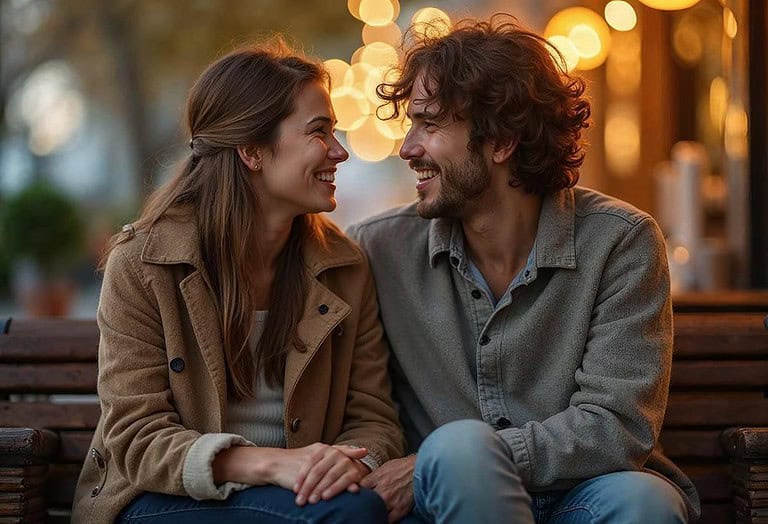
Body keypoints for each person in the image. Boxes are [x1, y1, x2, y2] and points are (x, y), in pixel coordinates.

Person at [348, 14, 700, 524]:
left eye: (430, 123)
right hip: (450, 502)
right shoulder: (378, 250)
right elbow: (366, 409)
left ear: (501, 142)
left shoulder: (620, 241)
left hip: (586, 494)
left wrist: (462, 456)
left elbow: (617, 427)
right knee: (459, 450)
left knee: (645, 502)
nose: (408, 149)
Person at [72, 41, 403, 524]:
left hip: (305, 494)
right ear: (251, 150)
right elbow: (136, 437)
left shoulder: (344, 266)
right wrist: (271, 464)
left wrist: (349, 461)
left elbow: (374, 417)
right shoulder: (145, 263)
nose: (339, 152)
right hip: (158, 499)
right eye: (319, 132)